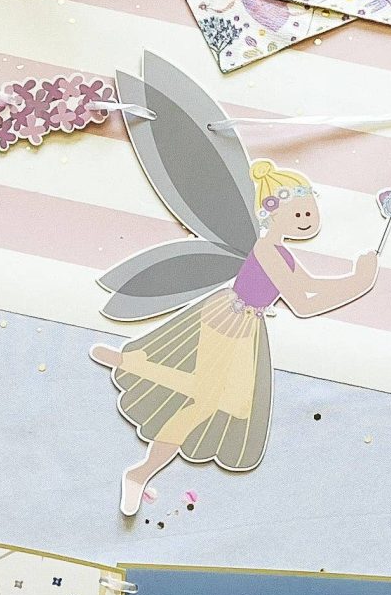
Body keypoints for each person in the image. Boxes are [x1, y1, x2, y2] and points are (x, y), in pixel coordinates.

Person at [92, 160, 376, 516]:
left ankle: (132, 363)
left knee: (234, 405)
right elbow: (302, 303)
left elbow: (311, 285)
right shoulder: (267, 250)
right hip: (229, 319)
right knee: (205, 402)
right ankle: (140, 472)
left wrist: (356, 279)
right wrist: (358, 283)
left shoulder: (281, 253)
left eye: (310, 212)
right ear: (272, 213)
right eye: (299, 213)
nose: (308, 219)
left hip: (247, 325)